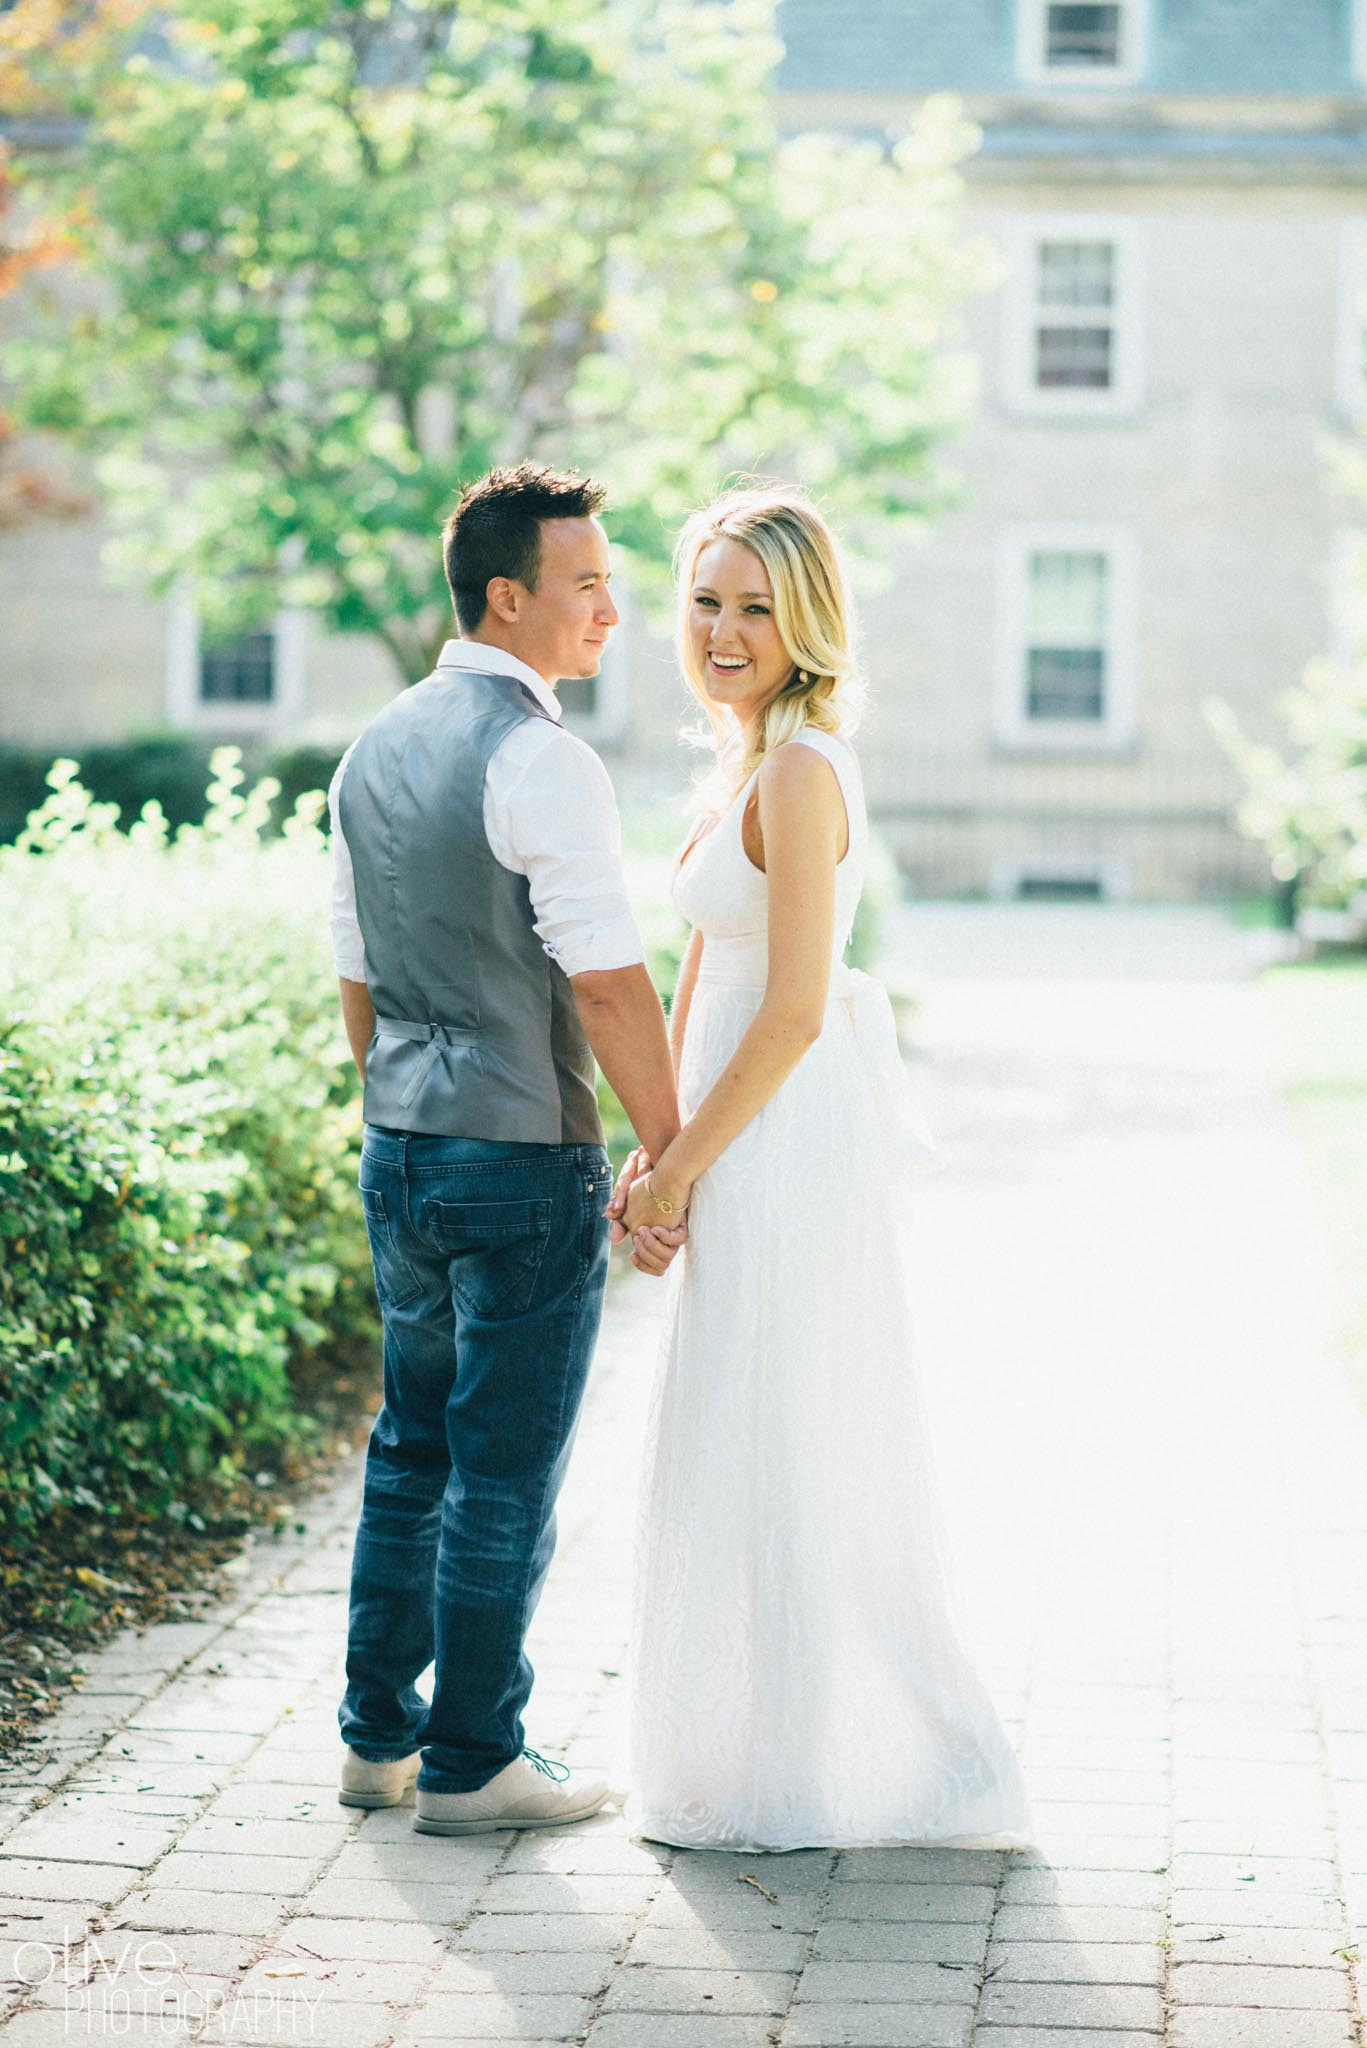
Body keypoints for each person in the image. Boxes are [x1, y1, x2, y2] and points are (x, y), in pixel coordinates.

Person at [608, 484, 1036, 1851]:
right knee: (739, 1433)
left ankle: (886, 1763)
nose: (724, 630)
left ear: (807, 623)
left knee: (788, 1438)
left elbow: (791, 1009)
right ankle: (753, 1747)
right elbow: (699, 970)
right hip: (726, 1135)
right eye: (706, 601)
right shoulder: (736, 761)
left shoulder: (798, 773)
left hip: (786, 1143)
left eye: (754, 606)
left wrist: (687, 1172)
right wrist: (653, 1144)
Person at [327, 461, 686, 1838]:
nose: (610, 606)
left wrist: (407, 1107)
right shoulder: (544, 758)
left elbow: (356, 978)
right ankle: (477, 1759)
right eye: (586, 582)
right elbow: (606, 981)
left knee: (410, 1446)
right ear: (506, 595)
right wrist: (669, 1149)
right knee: (501, 1468)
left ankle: (379, 1742)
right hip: (523, 1160)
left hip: (400, 1147)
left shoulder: (372, 750)